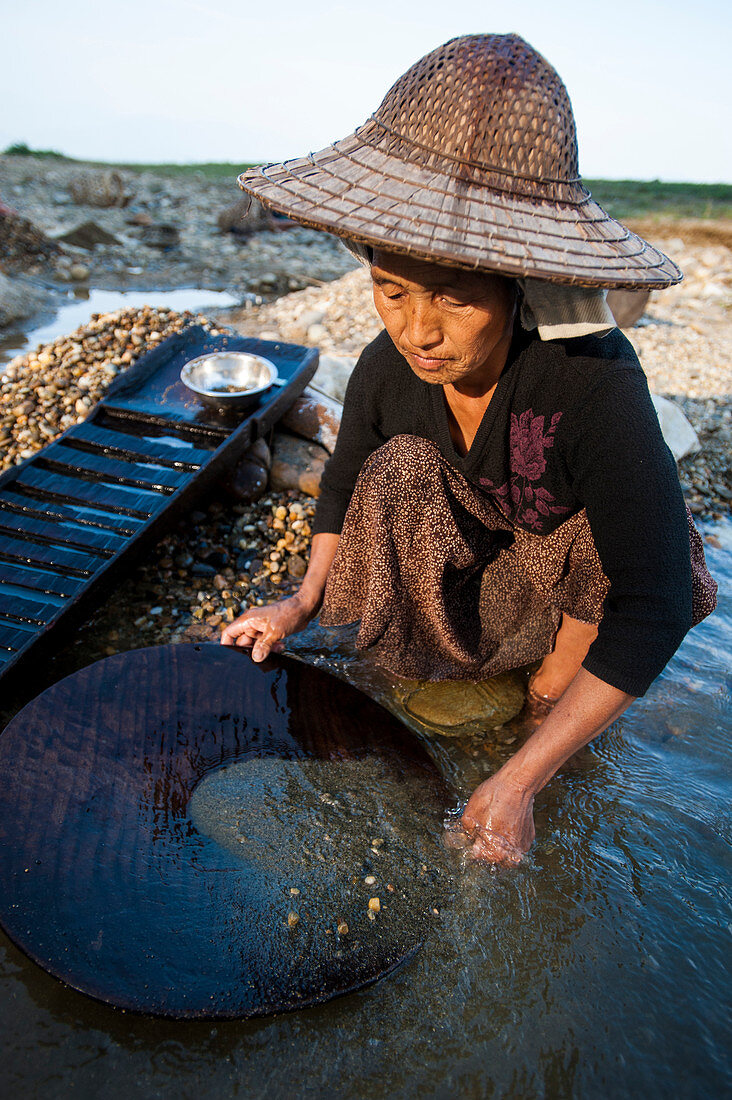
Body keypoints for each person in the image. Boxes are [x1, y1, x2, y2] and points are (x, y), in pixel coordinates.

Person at [221, 34, 717, 864]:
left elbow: (657, 599)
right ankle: (430, 682)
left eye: (453, 299)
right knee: (395, 467)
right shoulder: (388, 368)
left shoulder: (591, 382)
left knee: (585, 610)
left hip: (559, 601)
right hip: (462, 589)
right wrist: (298, 604)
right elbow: (343, 484)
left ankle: (543, 714)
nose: (419, 331)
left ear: (518, 288)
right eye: (392, 291)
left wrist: (522, 778)